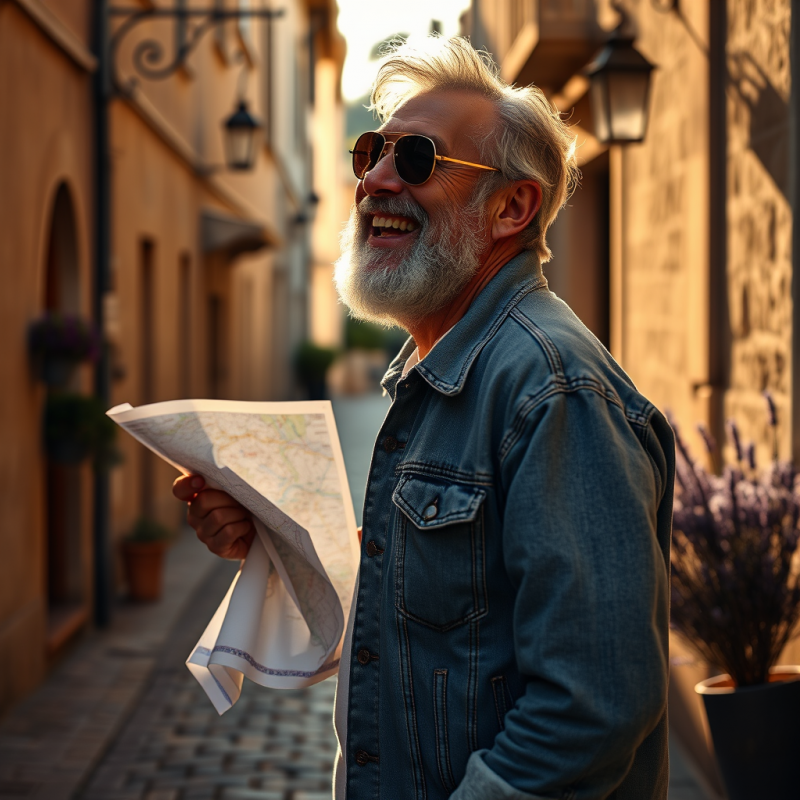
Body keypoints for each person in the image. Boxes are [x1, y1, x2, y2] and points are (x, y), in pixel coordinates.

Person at [173, 37, 674, 800]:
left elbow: (591, 710)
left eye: (415, 160)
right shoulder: (440, 371)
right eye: (372, 152)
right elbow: (437, 606)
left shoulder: (553, 388)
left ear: (511, 207)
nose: (373, 179)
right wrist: (275, 539)